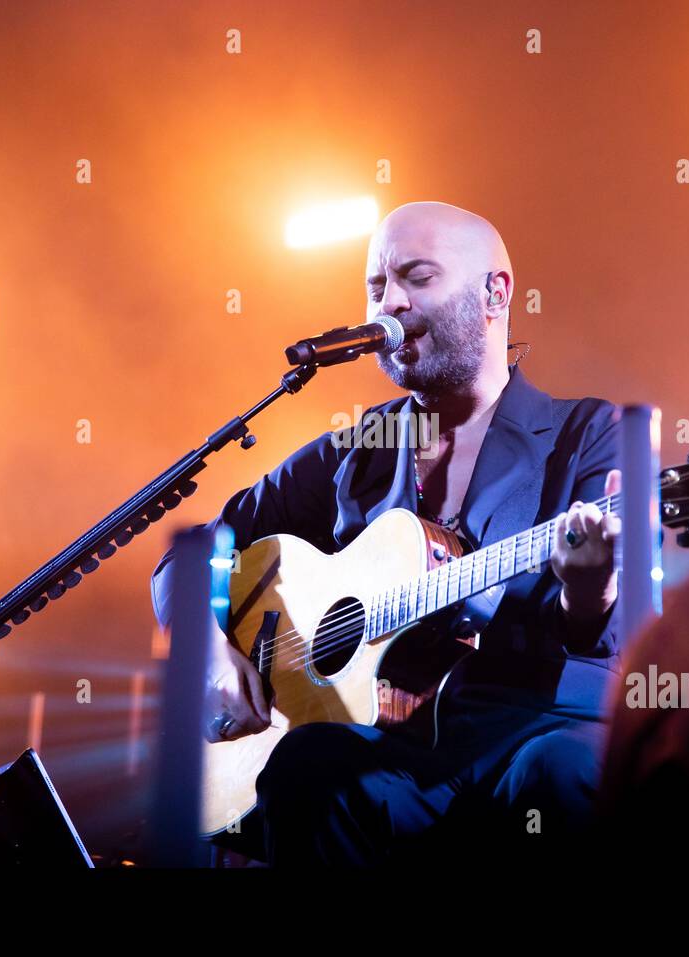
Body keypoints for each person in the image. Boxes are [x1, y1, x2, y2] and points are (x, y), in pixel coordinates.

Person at [151, 201, 623, 865]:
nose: (389, 303)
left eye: (417, 277)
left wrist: (590, 589)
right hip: (399, 752)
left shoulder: (585, 433)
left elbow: (614, 626)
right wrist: (208, 651)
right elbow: (192, 555)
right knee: (308, 767)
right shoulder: (362, 447)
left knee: (568, 777)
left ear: (496, 292)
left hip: (531, 730)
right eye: (376, 286)